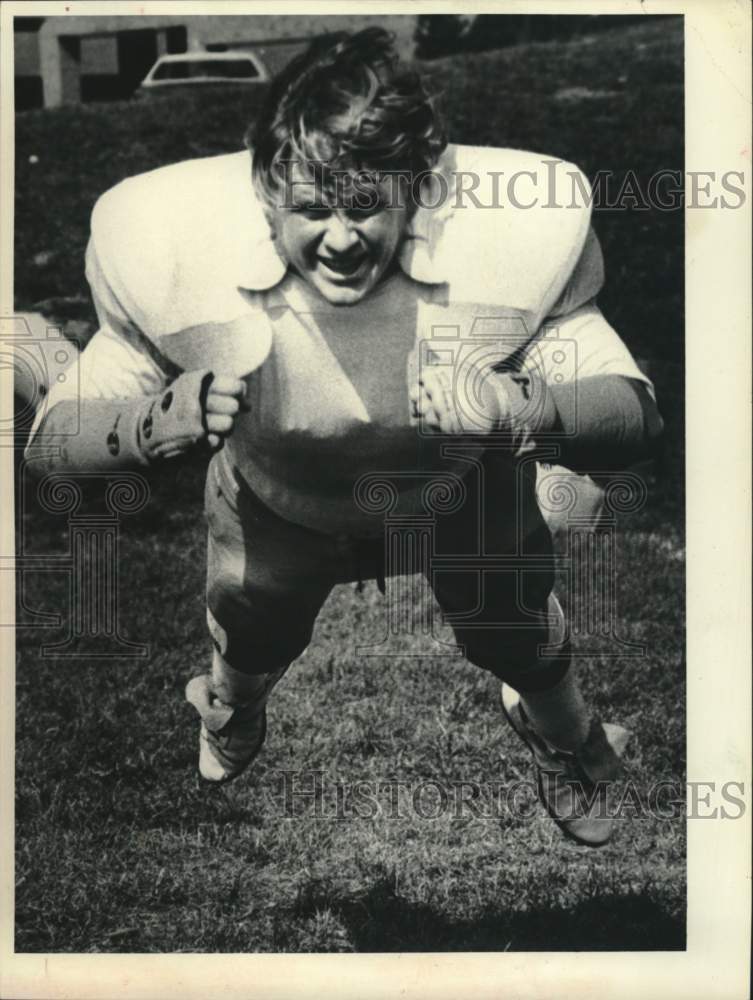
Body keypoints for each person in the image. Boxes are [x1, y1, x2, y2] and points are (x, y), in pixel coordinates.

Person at [26, 28, 663, 847]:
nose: (339, 236)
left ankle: (566, 738)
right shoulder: (170, 252)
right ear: (264, 188)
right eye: (311, 206)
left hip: (456, 486)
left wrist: (516, 407)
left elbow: (633, 416)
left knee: (515, 626)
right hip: (282, 497)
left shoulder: (510, 246)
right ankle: (229, 705)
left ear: (417, 190)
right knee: (252, 621)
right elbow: (52, 443)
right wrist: (153, 423)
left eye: (366, 203)